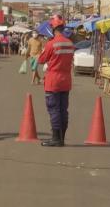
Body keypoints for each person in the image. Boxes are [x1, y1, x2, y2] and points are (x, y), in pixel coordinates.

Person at [37, 15, 75, 147]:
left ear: (53, 28)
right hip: (66, 81)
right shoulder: (70, 43)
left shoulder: (51, 44)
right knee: (63, 110)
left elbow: (41, 60)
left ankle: (55, 138)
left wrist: (44, 46)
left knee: (54, 109)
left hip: (53, 81)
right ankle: (62, 138)